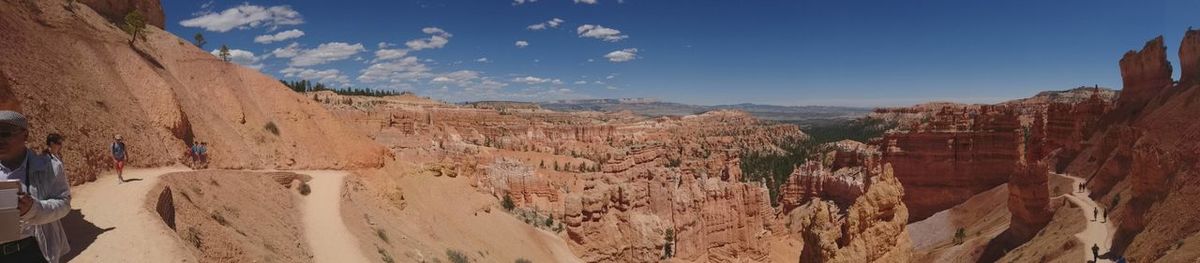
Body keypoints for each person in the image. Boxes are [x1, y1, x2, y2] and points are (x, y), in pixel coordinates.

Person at [0, 111, 72, 263]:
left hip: (32, 250)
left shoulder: (49, 167)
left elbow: (64, 204)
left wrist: (33, 209)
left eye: (5, 134)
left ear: (25, 135)